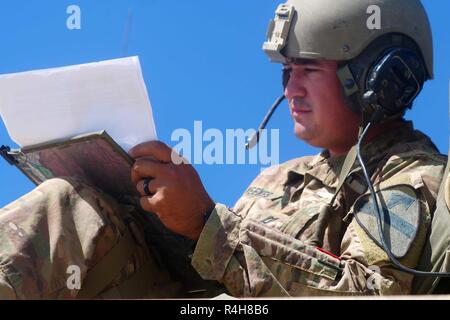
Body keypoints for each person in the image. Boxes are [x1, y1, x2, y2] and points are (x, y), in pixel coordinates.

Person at [0, 0, 446, 298]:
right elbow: (215, 277)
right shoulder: (280, 178)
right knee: (72, 203)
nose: (291, 89)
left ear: (378, 80)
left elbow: (365, 294)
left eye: (308, 69)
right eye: (287, 70)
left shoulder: (412, 176)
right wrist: (161, 217)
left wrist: (205, 223)